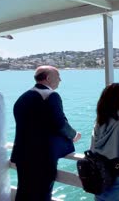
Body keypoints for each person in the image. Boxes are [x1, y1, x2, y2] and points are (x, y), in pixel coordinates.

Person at [11, 65, 81, 201]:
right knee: (42, 194)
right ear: (48, 78)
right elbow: (59, 123)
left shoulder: (22, 98)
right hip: (41, 158)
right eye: (58, 77)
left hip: (22, 156)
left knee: (24, 193)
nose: (60, 80)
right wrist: (74, 135)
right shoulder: (50, 96)